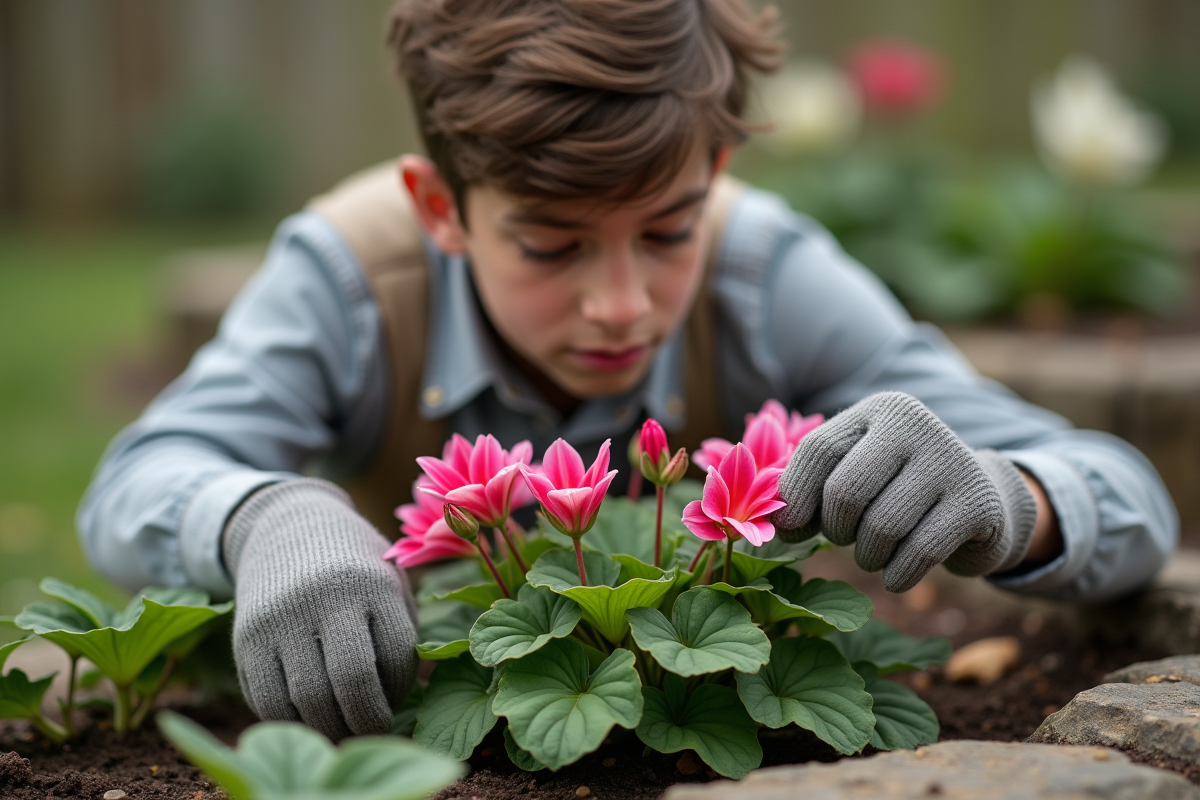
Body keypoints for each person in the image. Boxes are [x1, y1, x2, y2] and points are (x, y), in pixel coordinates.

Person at [78, 0, 1177, 742]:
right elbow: (140, 478)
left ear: (721, 174)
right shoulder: (350, 275)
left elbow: (1127, 495)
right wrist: (266, 514)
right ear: (439, 207)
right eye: (551, 245)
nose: (622, 303)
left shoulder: (767, 270)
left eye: (668, 229)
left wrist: (1013, 499)